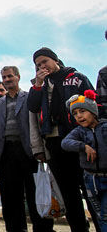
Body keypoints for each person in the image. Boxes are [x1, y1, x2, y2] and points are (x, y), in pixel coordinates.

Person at [28, 47, 96, 232]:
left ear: (55, 60)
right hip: (54, 142)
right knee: (68, 193)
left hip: (81, 140)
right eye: (38, 65)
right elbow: (32, 108)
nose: (42, 66)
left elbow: (93, 104)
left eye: (45, 62)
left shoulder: (76, 78)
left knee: (90, 190)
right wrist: (38, 84)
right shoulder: (39, 86)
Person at [0, 66, 54, 232]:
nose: (7, 80)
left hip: (27, 150)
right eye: (4, 77)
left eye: (10, 76)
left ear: (18, 77)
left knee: (34, 192)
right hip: (7, 152)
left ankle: (42, 228)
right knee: (11, 196)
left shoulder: (29, 97)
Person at [62, 90, 107, 232]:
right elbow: (65, 143)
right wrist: (83, 146)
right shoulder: (80, 132)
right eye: (75, 114)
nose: (79, 116)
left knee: (105, 214)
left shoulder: (104, 128)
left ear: (92, 111)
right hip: (90, 180)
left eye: (82, 111)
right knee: (99, 214)